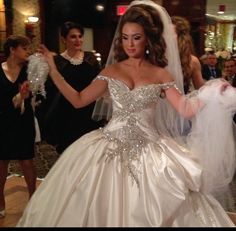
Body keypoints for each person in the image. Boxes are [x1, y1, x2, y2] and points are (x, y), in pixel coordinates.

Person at [17, 1, 236, 227]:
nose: (130, 44)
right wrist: (53, 71)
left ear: (148, 38)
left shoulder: (160, 74)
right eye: (125, 37)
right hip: (107, 146)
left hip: (151, 150)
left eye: (136, 37)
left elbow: (184, 108)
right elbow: (78, 100)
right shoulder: (111, 70)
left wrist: (213, 94)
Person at [35, 21, 102, 154]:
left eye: (80, 36)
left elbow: (99, 82)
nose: (78, 40)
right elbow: (50, 89)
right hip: (66, 112)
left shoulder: (91, 58)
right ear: (64, 39)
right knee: (69, 151)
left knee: (90, 152)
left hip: (89, 110)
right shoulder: (57, 61)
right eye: (73, 36)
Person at [0, 35, 37, 218]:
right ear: (13, 50)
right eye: (24, 48)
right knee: (1, 162)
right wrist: (15, 98)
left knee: (27, 161)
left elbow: (37, 95)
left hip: (23, 121)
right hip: (2, 122)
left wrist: (24, 97)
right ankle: (0, 200)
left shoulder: (30, 71)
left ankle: (34, 200)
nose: (27, 51)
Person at [171, 16, 205, 94]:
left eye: (169, 33)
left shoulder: (192, 61)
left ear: (180, 37)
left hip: (179, 104)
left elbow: (201, 90)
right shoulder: (158, 57)